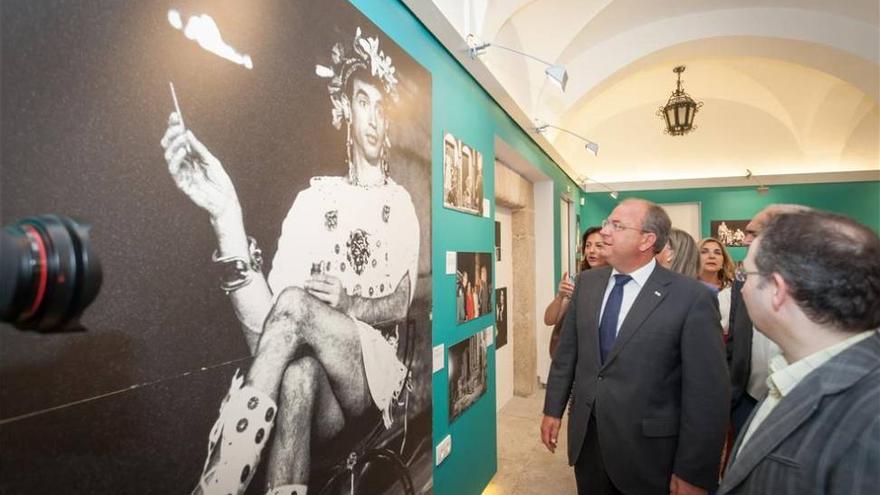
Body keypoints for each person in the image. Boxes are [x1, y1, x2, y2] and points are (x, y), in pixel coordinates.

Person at [161, 27, 419, 495]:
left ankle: (221, 476)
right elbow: (270, 328)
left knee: (299, 307)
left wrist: (347, 302)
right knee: (297, 376)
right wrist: (228, 218)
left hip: (373, 373)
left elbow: (401, 303)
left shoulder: (399, 203)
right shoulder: (312, 201)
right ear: (344, 110)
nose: (375, 119)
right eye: (364, 102)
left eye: (382, 108)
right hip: (322, 384)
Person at [541, 199, 729, 495]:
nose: (604, 233)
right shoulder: (588, 283)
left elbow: (707, 395)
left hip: (648, 454)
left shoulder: (690, 297)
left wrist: (694, 472)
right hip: (589, 443)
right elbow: (567, 355)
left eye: (616, 226)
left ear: (647, 240)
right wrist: (552, 410)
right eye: (606, 223)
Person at [719, 210, 880, 494]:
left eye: (745, 274)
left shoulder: (869, 421)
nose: (741, 289)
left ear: (778, 290)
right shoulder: (789, 374)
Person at [727, 204, 811, 436]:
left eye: (753, 233)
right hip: (748, 400)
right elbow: (735, 337)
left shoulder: (819, 284)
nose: (744, 240)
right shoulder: (742, 280)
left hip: (802, 402)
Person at [545, 226, 606, 357]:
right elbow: (549, 320)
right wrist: (560, 296)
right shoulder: (576, 280)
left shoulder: (617, 281)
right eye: (588, 246)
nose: (591, 251)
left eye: (599, 246)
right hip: (575, 354)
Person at [698, 237, 735, 336]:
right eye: (704, 252)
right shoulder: (687, 289)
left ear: (723, 261)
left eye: (717, 253)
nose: (711, 256)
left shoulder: (734, 289)